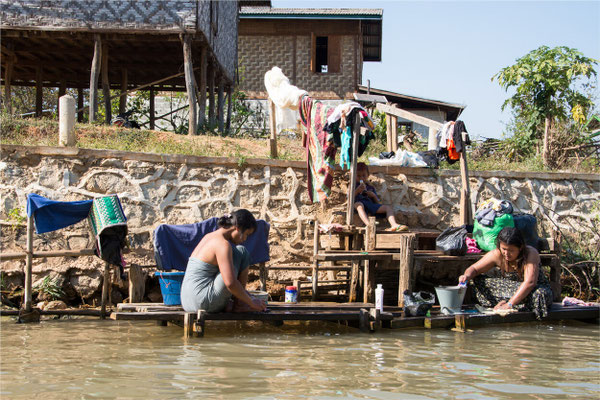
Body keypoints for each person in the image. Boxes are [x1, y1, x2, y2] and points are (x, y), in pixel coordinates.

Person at [180, 209, 267, 313]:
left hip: (186, 302)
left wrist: (247, 296)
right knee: (242, 251)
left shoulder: (208, 236)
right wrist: (251, 302)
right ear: (237, 228)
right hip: (202, 302)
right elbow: (230, 283)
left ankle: (237, 301)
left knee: (237, 252)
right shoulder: (223, 245)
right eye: (246, 234)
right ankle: (239, 304)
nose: (245, 239)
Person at [458, 227, 552, 319]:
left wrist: (510, 304)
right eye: (504, 249)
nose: (506, 253)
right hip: (511, 289)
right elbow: (474, 269)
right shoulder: (497, 254)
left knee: (539, 294)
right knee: (478, 280)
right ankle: (511, 302)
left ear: (520, 248)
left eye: (511, 250)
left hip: (533, 290)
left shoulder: (530, 253)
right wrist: (466, 276)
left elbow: (530, 282)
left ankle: (510, 303)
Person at [353, 162, 408, 232]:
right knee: (359, 206)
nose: (361, 178)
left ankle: (394, 224)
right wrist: (357, 191)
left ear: (368, 175)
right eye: (358, 176)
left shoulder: (370, 187)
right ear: (354, 176)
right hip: (359, 203)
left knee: (388, 208)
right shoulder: (353, 186)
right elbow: (349, 198)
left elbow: (377, 203)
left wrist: (373, 196)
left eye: (363, 176)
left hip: (370, 205)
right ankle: (368, 224)